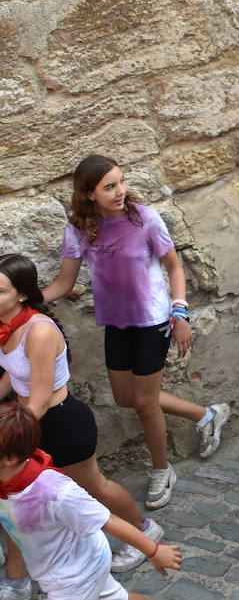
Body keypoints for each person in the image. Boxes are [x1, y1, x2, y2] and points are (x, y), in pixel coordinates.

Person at [43, 155, 227, 512]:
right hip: (116, 323)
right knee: (126, 398)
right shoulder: (80, 228)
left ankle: (162, 469)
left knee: (144, 402)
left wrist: (180, 313)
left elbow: (174, 267)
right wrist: (24, 301)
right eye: (109, 186)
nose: (120, 191)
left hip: (152, 321)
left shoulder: (144, 218)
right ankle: (206, 415)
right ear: (89, 194)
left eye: (121, 182)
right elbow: (65, 283)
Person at [0, 254, 164, 587]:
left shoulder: (39, 331)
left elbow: (41, 397)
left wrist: (10, 436)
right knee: (10, 496)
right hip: (27, 421)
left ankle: (145, 531)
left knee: (94, 485)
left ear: (20, 295)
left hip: (58, 424)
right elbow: (12, 373)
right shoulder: (7, 327)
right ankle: (17, 581)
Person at [0, 403, 194, 600]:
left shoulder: (56, 492)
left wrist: (153, 550)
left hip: (75, 574)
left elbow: (108, 520)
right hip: (76, 558)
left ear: (10, 458)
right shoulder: (6, 477)